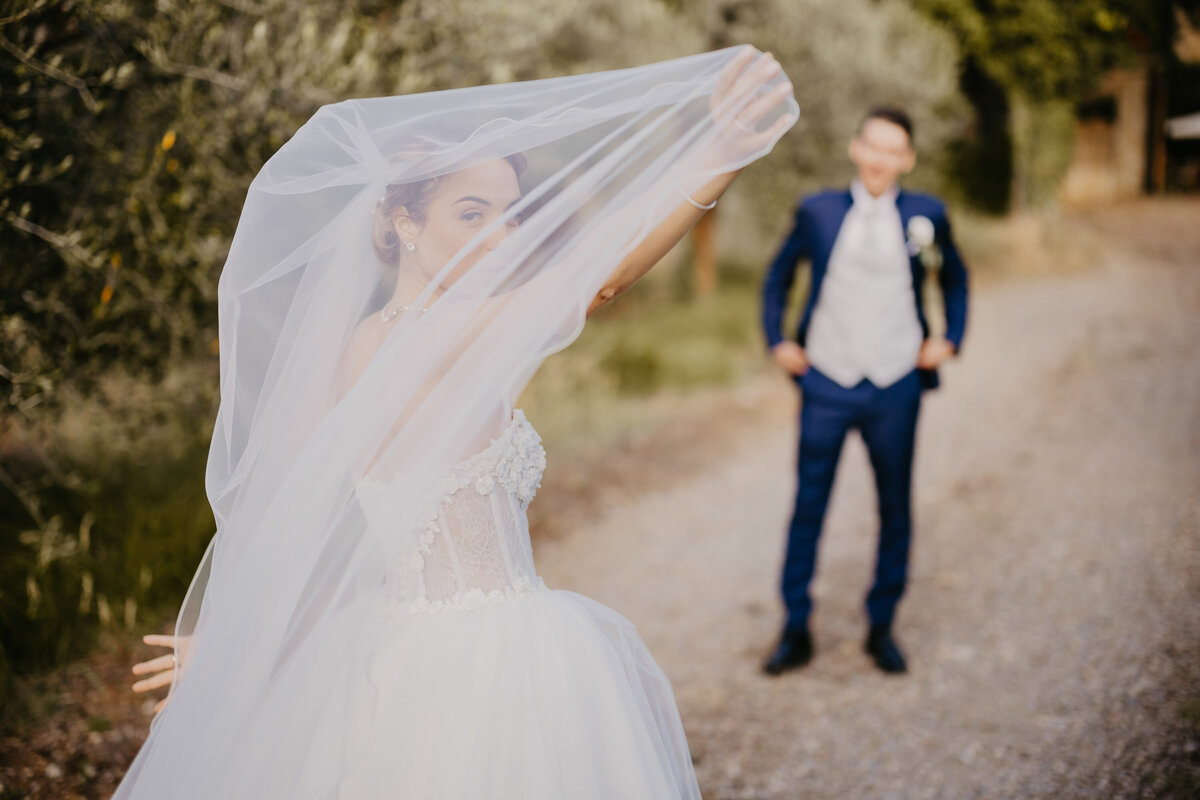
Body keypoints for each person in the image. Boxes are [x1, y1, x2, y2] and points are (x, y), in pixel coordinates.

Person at [119, 46, 796, 798]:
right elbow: (600, 280)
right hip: (487, 662)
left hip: (396, 643)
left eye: (507, 215)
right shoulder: (435, 334)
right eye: (470, 213)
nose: (497, 235)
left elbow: (288, 498)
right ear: (401, 222)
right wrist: (722, 153)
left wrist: (228, 643)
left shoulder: (366, 341)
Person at [760, 106, 968, 676]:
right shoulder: (818, 211)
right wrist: (778, 339)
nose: (880, 159)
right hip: (826, 379)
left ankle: (882, 625)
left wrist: (950, 337)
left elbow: (954, 277)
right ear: (856, 149)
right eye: (872, 146)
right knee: (809, 505)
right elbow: (778, 276)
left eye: (892, 150)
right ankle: (795, 626)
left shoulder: (927, 215)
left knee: (894, 505)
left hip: (896, 382)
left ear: (908, 159)